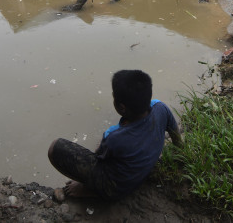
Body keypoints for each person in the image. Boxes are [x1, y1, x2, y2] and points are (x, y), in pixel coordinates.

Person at [48, 70, 182, 201]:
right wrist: (179, 152)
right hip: (142, 173)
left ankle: (90, 190)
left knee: (55, 148)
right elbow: (175, 135)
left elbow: (99, 160)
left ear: (121, 107)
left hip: (117, 189)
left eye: (114, 96)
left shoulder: (114, 137)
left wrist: (103, 143)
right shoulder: (161, 108)